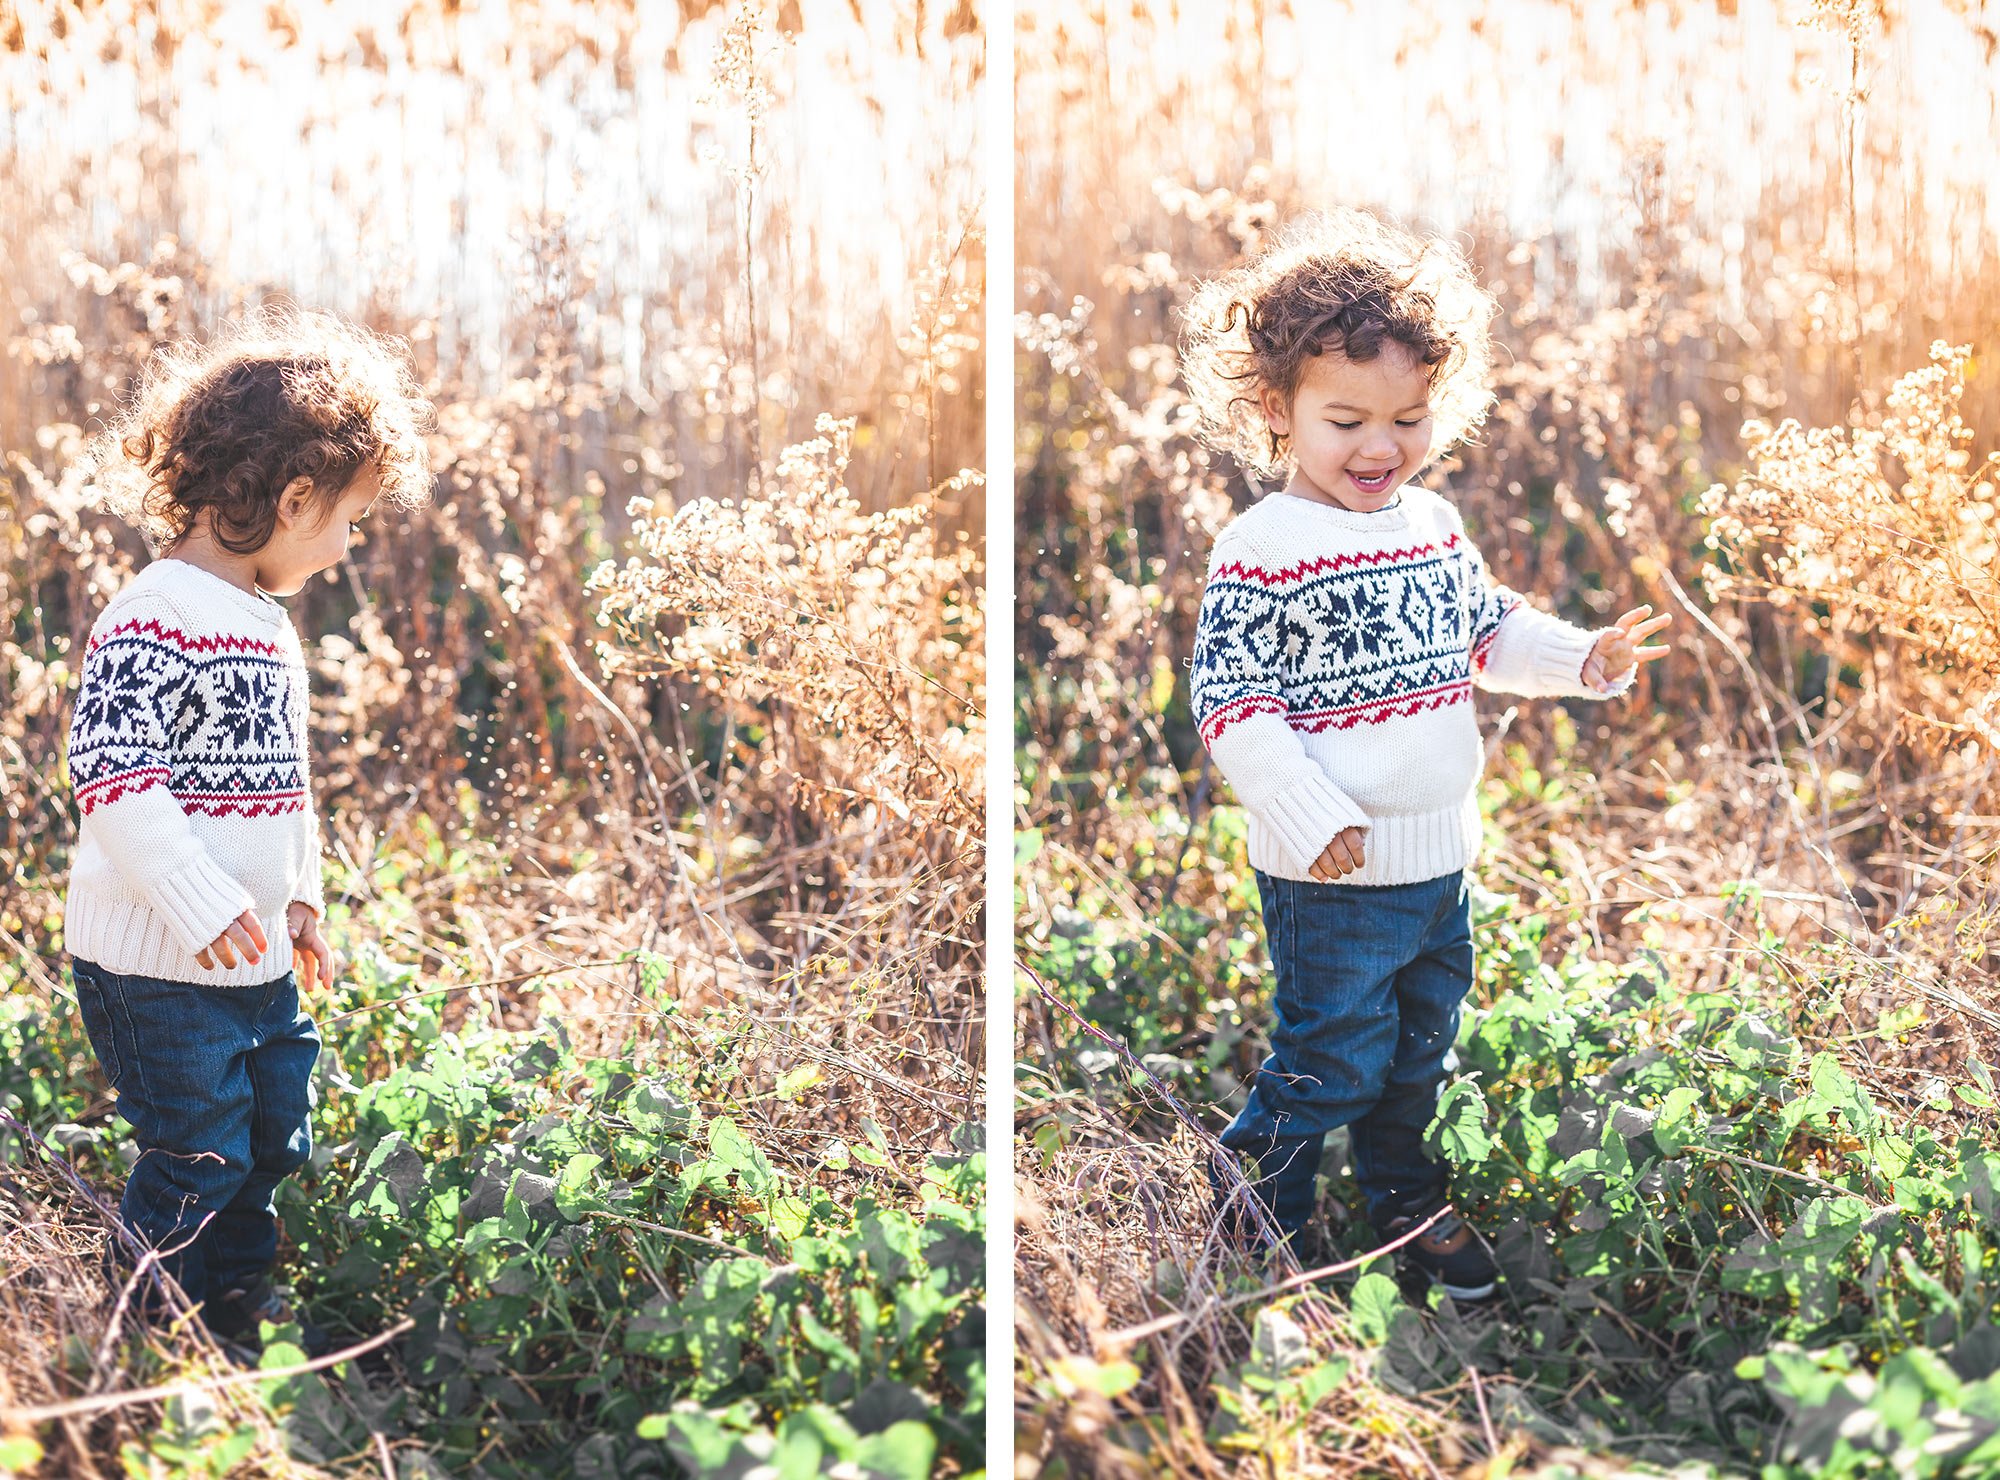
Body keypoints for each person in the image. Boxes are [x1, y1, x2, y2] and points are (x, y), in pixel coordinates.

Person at [1182, 210, 1671, 1300]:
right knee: (1331, 1057)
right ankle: (1256, 1206)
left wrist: (1577, 658)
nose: (1378, 448)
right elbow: (1229, 698)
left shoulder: (1431, 522)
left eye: (1405, 418)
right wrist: (1308, 814)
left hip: (1436, 861)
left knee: (1417, 1056)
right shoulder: (1262, 546)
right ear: (1277, 410)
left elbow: (1484, 629)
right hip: (1332, 873)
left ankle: (1401, 1197)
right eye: (1344, 418)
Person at [64, 306, 433, 1354]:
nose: (350, 542)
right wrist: (199, 897)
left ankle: (229, 1317)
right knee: (198, 1153)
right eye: (347, 517)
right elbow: (115, 774)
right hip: (158, 967)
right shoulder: (152, 612)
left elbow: (283, 784)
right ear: (292, 495)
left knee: (271, 1139)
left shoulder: (267, 624)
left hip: (256, 956)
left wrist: (299, 896)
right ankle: (135, 1333)